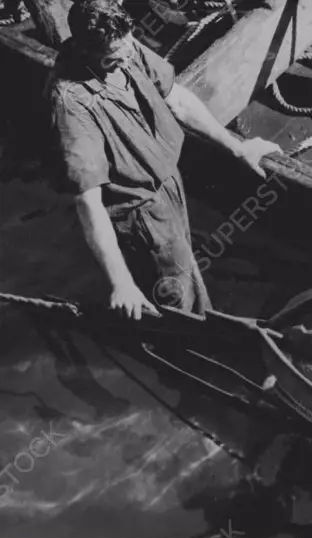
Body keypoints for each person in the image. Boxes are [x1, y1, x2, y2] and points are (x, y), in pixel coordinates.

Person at [47, 0, 281, 320]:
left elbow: (179, 100)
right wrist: (121, 284)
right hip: (138, 212)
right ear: (87, 50)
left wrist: (237, 147)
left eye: (129, 43)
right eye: (116, 55)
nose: (129, 54)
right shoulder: (72, 104)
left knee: (182, 270)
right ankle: (184, 347)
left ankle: (189, 322)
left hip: (167, 184)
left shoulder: (125, 47)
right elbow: (88, 203)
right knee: (174, 294)